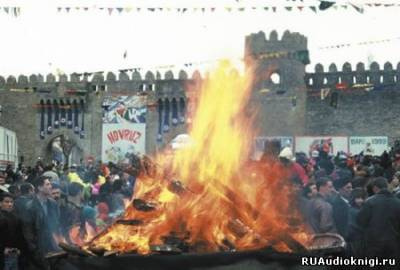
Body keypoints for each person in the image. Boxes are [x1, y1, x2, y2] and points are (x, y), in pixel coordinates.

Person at [23, 176, 61, 270]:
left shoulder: (53, 204)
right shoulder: (30, 207)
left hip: (53, 247)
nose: (50, 186)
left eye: (50, 184)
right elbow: (28, 233)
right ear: (39, 188)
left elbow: (56, 224)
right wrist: (35, 251)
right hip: (39, 249)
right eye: (47, 184)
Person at [357, 177, 400, 259]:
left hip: (374, 244)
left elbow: (361, 221)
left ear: (375, 188)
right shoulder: (398, 202)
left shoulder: (370, 202)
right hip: (394, 243)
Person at [0, 193, 28, 270]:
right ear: (0, 203)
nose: (10, 204)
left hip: (14, 253)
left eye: (11, 202)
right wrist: (2, 249)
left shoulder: (15, 217)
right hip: (3, 255)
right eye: (7, 202)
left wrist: (19, 248)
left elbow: (19, 235)